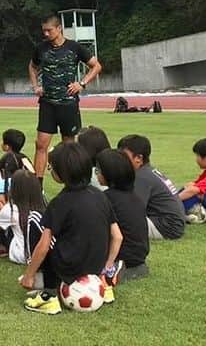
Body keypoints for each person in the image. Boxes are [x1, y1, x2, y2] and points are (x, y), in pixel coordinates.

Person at [20, 143, 122, 315]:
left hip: (69, 268)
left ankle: (49, 297)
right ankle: (104, 283)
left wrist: (28, 275)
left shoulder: (59, 203)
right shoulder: (100, 196)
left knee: (46, 245)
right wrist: (107, 266)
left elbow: (43, 246)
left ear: (61, 174)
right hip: (96, 266)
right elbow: (117, 236)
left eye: (51, 167)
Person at [28, 14, 102, 180]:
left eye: (49, 30)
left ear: (59, 28)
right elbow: (32, 66)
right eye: (44, 31)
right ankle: (37, 186)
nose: (46, 34)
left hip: (68, 104)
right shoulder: (41, 48)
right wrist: (35, 86)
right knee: (41, 144)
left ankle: (70, 181)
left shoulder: (74, 48)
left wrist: (81, 84)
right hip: (47, 103)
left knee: (69, 146)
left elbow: (96, 66)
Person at [94, 149, 150, 285]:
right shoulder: (134, 197)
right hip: (139, 256)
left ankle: (112, 269)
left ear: (109, 174)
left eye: (98, 171)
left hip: (121, 256)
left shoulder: (106, 198)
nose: (96, 175)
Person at [117, 134, 186, 240]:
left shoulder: (141, 177)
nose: (120, 159)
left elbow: (133, 210)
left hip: (166, 227)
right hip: (171, 223)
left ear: (139, 158)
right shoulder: (149, 171)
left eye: (124, 156)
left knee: (115, 224)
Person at [0, 169, 47, 265]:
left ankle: (2, 248)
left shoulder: (11, 209)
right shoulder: (42, 205)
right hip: (40, 254)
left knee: (4, 225)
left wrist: (1, 212)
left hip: (20, 255)